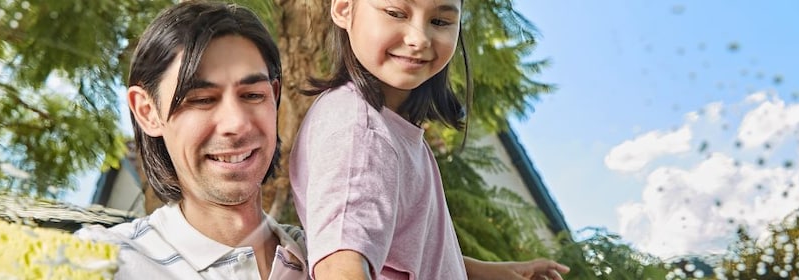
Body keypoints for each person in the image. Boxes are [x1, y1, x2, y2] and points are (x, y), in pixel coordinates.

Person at [289, 0, 571, 279]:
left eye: (439, 21)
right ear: (344, 9)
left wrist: (488, 272)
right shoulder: (361, 134)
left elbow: (401, 255)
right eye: (395, 13)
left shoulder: (386, 125)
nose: (419, 38)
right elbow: (339, 267)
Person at [76, 2, 306, 279]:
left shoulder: (328, 255)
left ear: (275, 94)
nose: (237, 123)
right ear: (147, 112)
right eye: (202, 100)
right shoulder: (102, 262)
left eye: (253, 95)